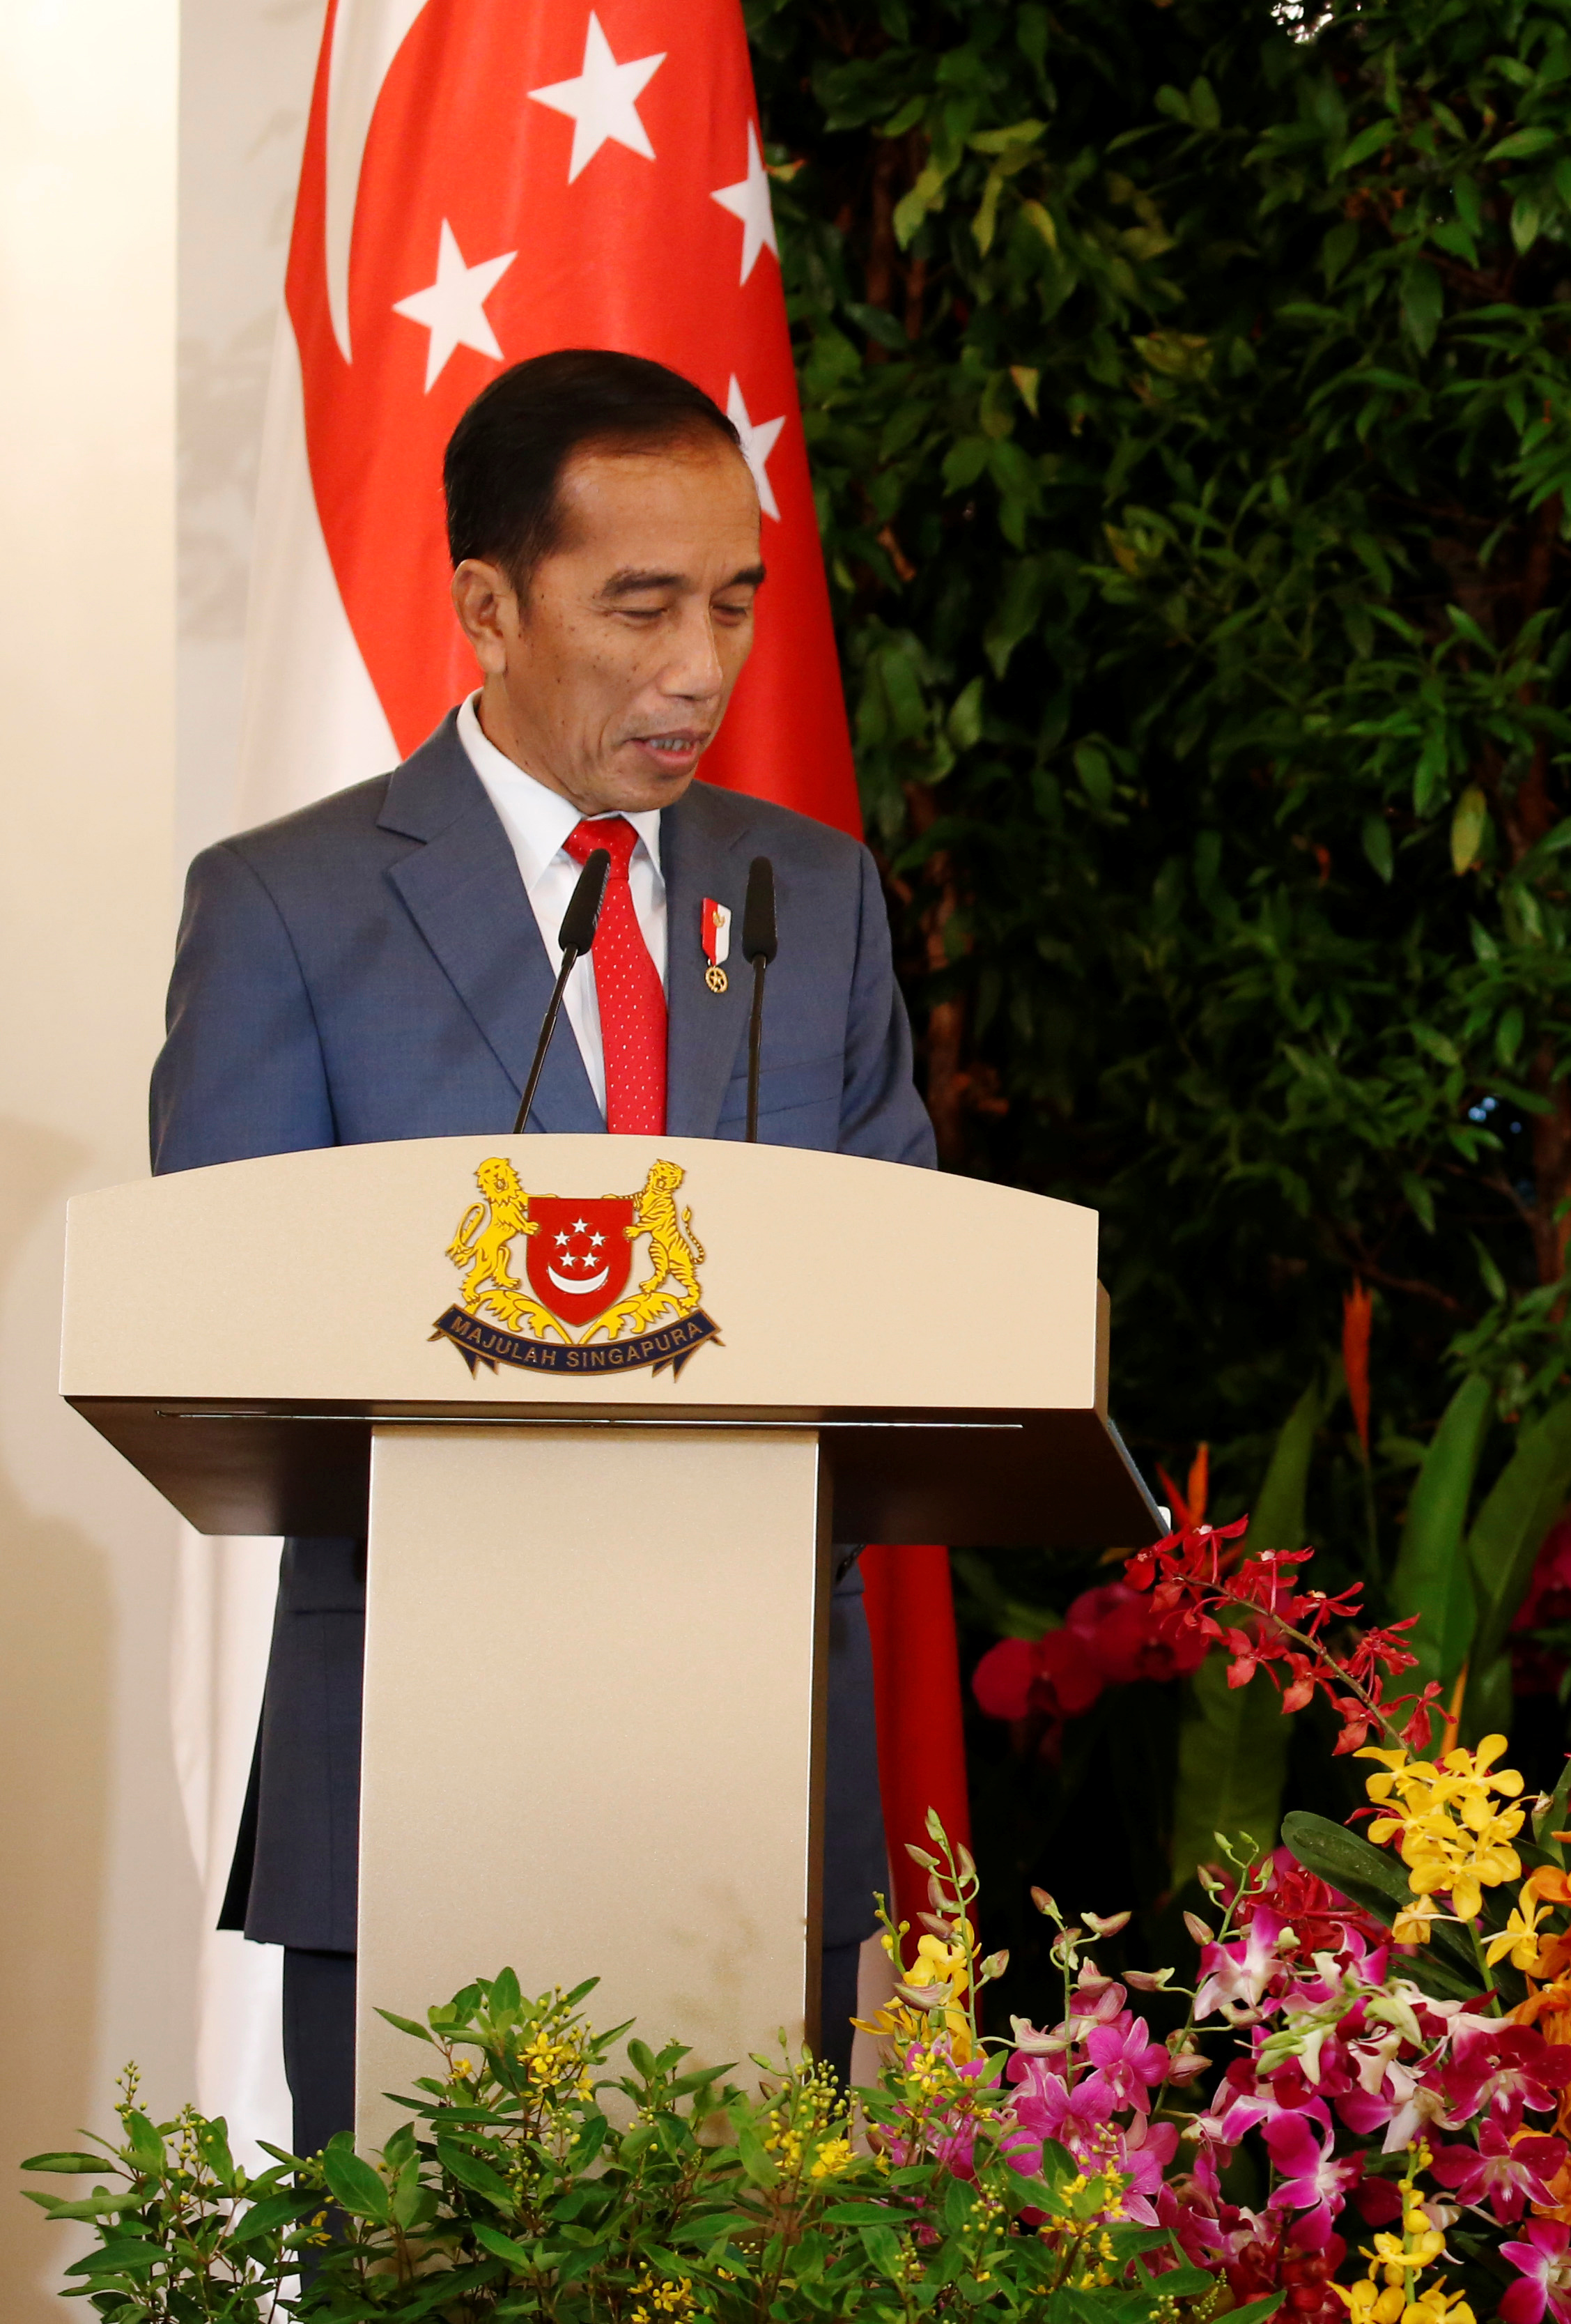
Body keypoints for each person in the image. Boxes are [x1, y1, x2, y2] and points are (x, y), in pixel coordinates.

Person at [151, 348, 937, 2152]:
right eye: (641, 606)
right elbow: (224, 1325)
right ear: (487, 608)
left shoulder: (811, 897)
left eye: (734, 605)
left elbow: (909, 1293)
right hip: (418, 1766)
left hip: (759, 1774)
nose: (700, 669)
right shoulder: (287, 907)